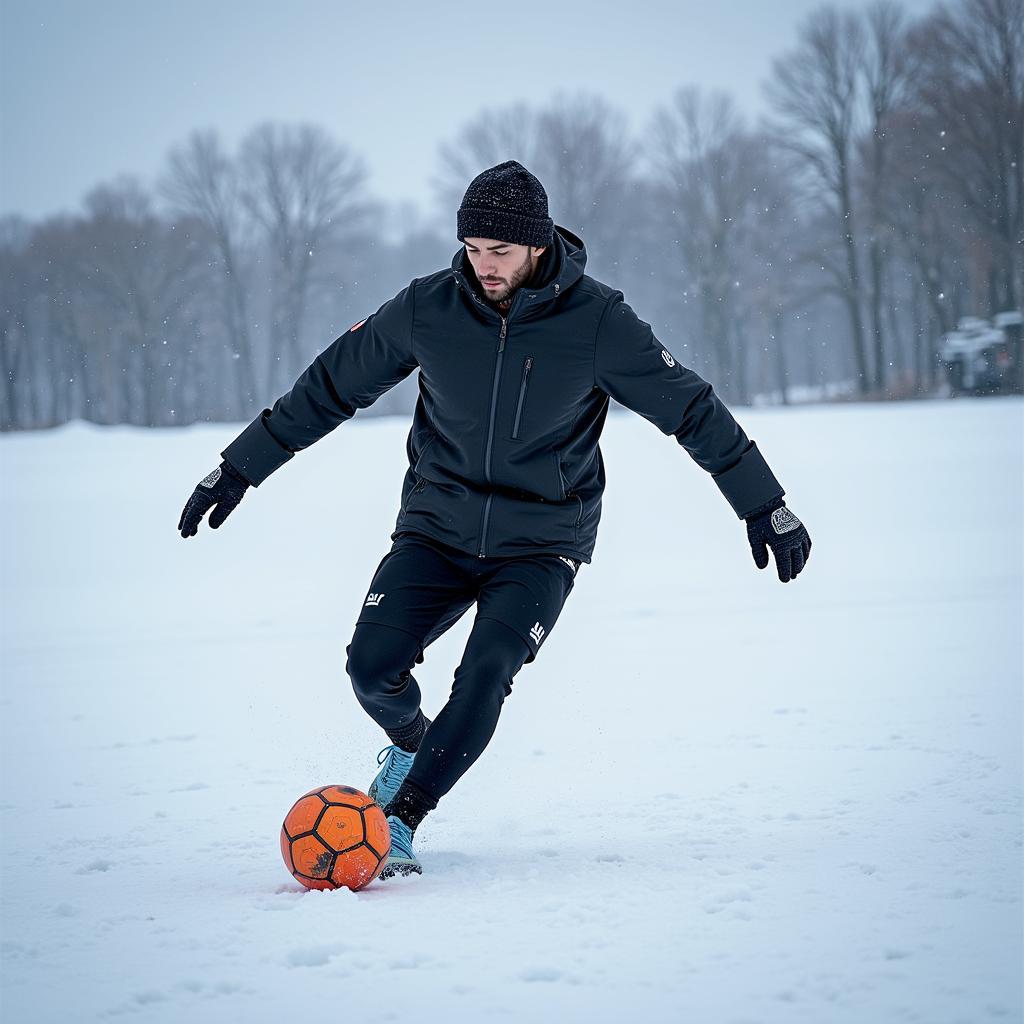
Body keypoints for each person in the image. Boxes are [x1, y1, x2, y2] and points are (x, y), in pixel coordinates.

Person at [178, 160, 812, 879]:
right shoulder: (429, 308)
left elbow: (689, 408)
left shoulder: (599, 321)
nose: (483, 266)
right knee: (369, 668)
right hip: (436, 529)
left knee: (485, 673)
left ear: (538, 246)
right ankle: (415, 742)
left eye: (500, 252)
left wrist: (764, 503)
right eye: (473, 249)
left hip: (542, 543)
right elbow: (330, 386)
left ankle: (402, 823)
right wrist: (239, 467)